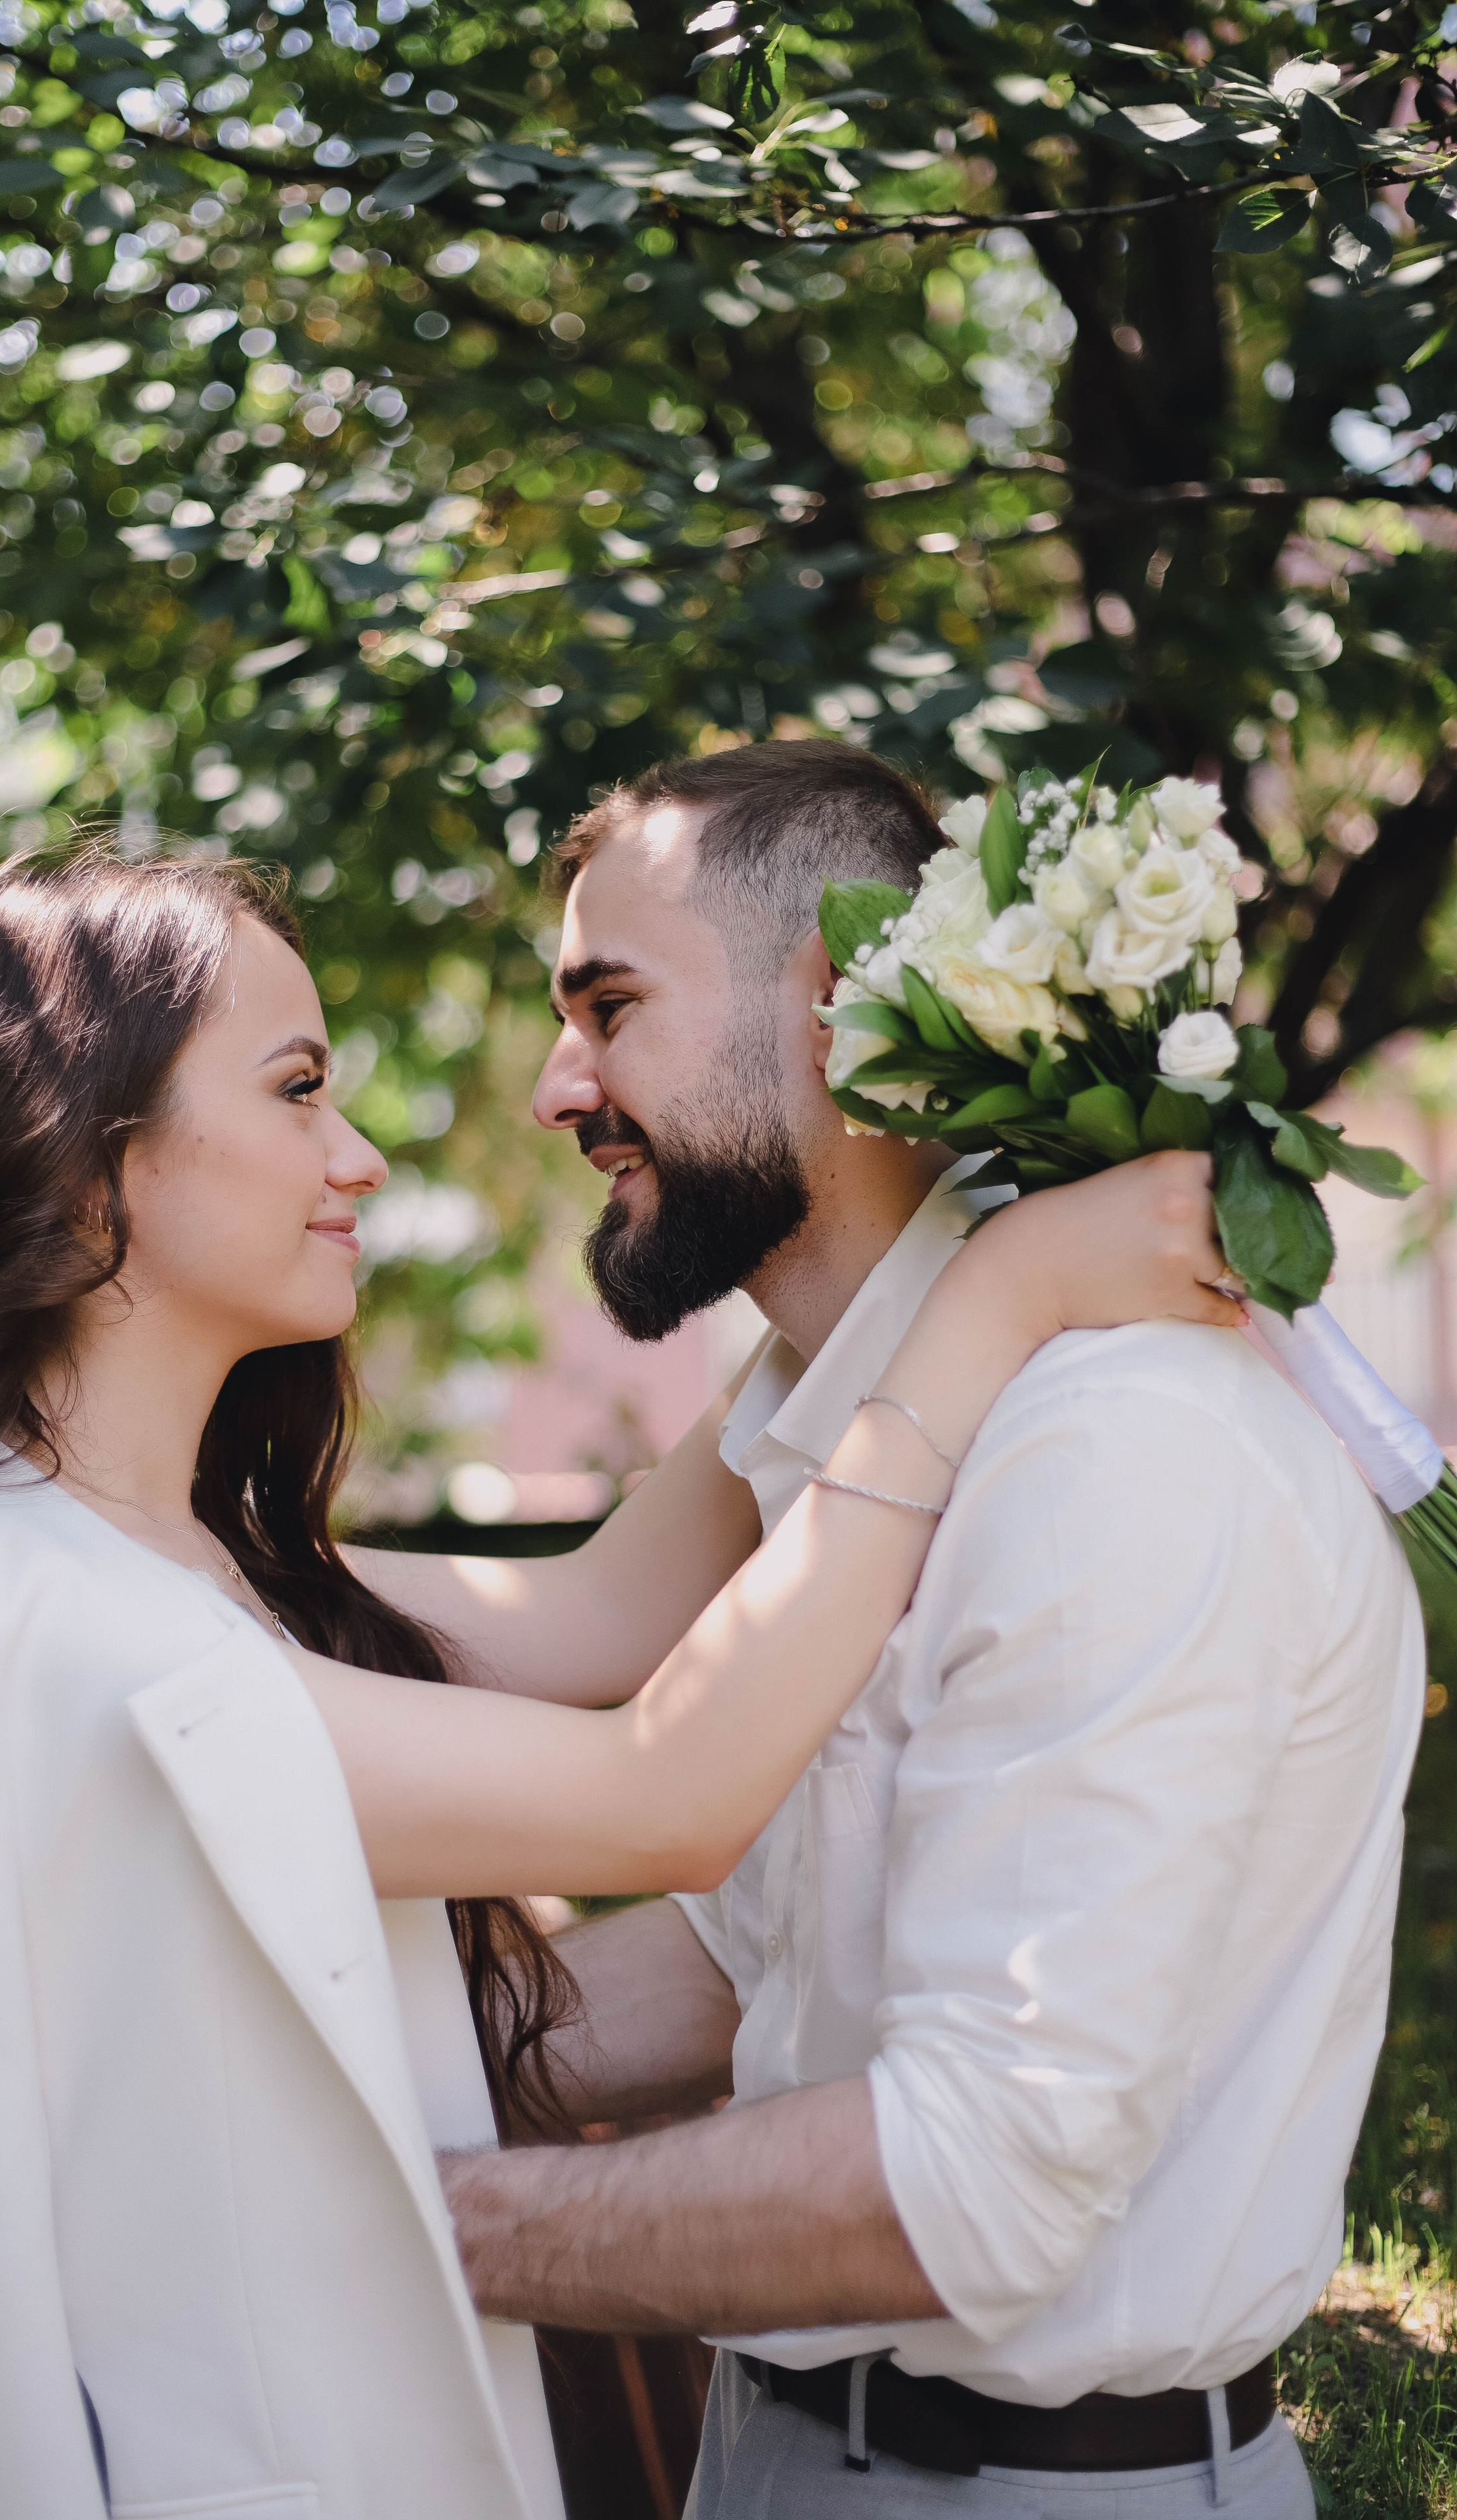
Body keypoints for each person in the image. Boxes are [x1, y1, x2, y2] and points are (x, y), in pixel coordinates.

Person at [0, 845, 1231, 2520]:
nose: (361, 1156)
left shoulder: (193, 1577)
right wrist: (1004, 1299)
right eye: (298, 1089)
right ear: (81, 1152)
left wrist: (903, 1214)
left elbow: (614, 1608)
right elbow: (661, 1793)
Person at [362, 741, 1424, 2520]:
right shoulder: (836, 1420)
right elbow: (743, 1958)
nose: (559, 1086)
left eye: (608, 1005)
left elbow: (975, 2180)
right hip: (781, 2453)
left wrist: (407, 2225)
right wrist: (285, 2075)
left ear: (841, 1001)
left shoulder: (1111, 1459)